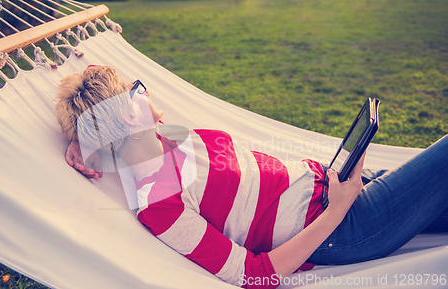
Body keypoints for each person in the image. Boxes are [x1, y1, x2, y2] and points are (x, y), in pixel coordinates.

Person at [55, 65, 448, 288]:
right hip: (345, 226)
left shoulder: (165, 138)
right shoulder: (160, 204)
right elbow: (253, 275)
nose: (144, 91)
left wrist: (81, 140)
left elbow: (101, 89)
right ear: (128, 115)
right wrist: (337, 210)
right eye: (136, 88)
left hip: (332, 184)